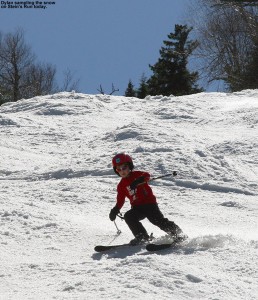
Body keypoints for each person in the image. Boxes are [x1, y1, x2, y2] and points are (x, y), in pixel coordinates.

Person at [109, 153, 183, 245]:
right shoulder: (121, 185)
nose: (122, 171)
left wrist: (139, 180)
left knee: (156, 220)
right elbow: (120, 200)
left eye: (124, 167)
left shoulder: (136, 175)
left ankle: (178, 234)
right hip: (137, 208)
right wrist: (115, 210)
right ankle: (142, 236)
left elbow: (147, 175)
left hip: (149, 204)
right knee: (129, 216)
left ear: (129, 166)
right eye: (118, 169)